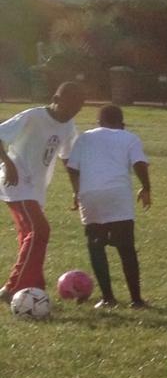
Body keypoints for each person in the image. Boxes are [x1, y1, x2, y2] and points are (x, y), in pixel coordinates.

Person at [0, 83, 84, 305]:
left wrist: (77, 191)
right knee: (40, 230)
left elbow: (68, 159)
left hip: (35, 189)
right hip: (16, 183)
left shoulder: (68, 126)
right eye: (70, 107)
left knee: (29, 235)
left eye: (78, 109)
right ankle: (12, 288)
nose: (72, 113)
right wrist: (7, 163)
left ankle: (32, 287)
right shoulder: (33, 116)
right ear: (56, 99)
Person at [65, 104, 152, 308]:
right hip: (117, 194)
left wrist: (77, 192)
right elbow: (139, 163)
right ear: (121, 124)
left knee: (96, 247)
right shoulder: (129, 137)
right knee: (126, 248)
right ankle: (136, 300)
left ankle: (107, 298)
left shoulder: (85, 137)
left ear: (99, 122)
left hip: (90, 195)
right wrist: (146, 188)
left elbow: (72, 168)